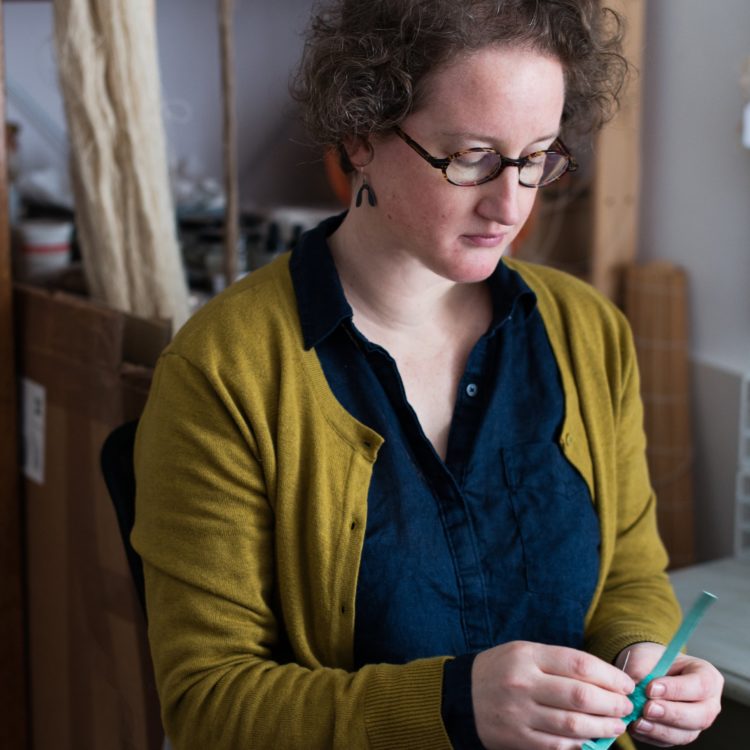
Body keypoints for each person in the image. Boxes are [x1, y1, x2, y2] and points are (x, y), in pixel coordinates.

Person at [132, 1, 723, 748]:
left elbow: (630, 573)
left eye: (537, 156)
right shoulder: (227, 371)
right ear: (361, 134)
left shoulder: (588, 332)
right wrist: (453, 703)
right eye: (471, 156)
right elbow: (209, 706)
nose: (509, 204)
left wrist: (643, 658)